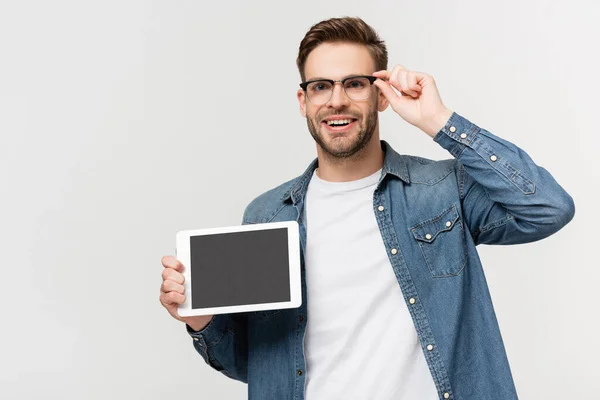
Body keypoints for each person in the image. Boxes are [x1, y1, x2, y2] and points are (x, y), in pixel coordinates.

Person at [159, 16, 574, 400]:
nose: (336, 100)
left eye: (354, 83)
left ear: (381, 96)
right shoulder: (267, 214)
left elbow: (548, 208)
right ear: (303, 101)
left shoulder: (442, 190)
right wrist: (201, 319)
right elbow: (258, 365)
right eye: (321, 86)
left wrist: (439, 120)